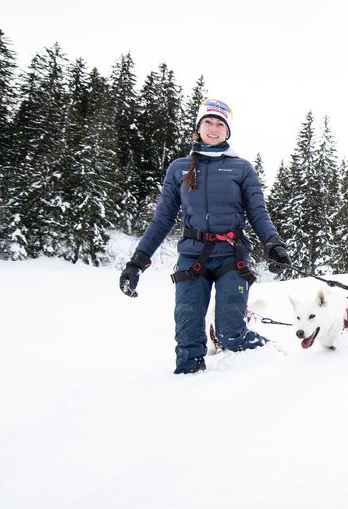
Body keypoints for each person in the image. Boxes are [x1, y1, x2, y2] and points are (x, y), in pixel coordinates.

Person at [119, 98, 290, 374]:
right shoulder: (179, 168)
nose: (213, 128)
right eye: (208, 122)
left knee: (230, 334)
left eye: (220, 124)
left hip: (232, 257)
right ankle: (186, 393)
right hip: (192, 257)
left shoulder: (241, 168)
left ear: (227, 131)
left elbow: (258, 213)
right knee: (187, 342)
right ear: (198, 127)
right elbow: (162, 219)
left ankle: (275, 360)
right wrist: (137, 261)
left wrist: (273, 244)